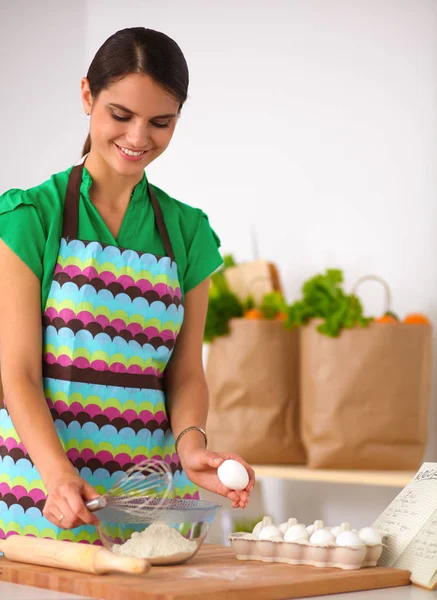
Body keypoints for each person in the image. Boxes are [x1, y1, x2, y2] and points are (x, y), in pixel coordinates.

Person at [0, 27, 255, 544]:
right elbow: (18, 374)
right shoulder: (32, 218)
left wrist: (191, 448)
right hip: (39, 496)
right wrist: (57, 475)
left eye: (161, 122)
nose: (139, 138)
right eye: (121, 115)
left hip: (147, 506)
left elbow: (184, 373)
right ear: (87, 96)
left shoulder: (187, 232)